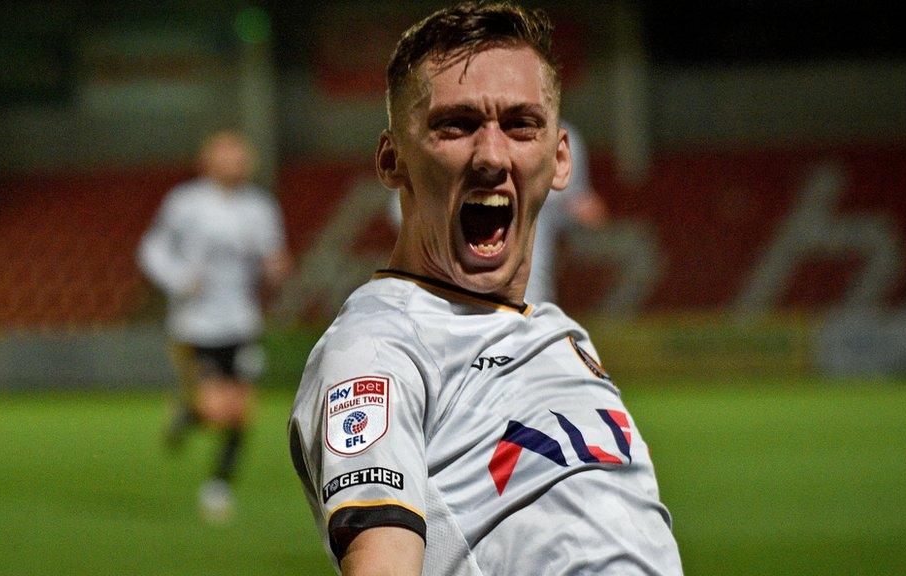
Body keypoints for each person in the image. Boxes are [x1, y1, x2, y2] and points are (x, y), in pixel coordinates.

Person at [288, 3, 682, 575]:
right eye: (457, 124)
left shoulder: (560, 337)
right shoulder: (379, 351)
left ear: (561, 158)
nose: (493, 156)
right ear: (392, 159)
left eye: (521, 124)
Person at [139, 131, 290, 523]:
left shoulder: (260, 207)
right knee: (216, 406)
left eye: (241, 156)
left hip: (240, 322)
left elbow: (271, 255)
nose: (236, 162)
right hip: (195, 325)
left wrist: (275, 267)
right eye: (227, 155)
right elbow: (152, 249)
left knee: (241, 411)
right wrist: (178, 278)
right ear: (208, 160)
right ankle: (188, 414)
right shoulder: (185, 203)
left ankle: (218, 486)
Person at [387, 119, 608, 305]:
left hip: (530, 297)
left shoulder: (556, 139)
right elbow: (401, 213)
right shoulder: (449, 140)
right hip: (454, 300)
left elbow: (586, 210)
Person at [524, 119, 607, 304]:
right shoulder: (505, 133)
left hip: (564, 226)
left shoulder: (567, 135)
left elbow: (584, 203)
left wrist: (581, 205)